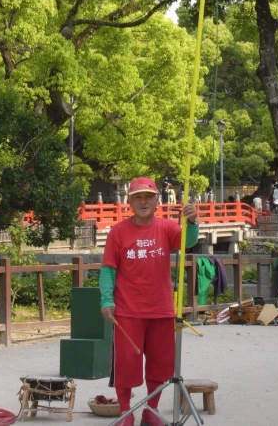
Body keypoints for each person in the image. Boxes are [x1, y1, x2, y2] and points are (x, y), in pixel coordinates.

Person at [100, 177, 199, 426]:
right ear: (130, 202)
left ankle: (151, 411)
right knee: (126, 365)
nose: (143, 201)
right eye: (137, 197)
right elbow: (108, 269)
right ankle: (126, 413)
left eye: (148, 196)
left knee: (160, 364)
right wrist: (106, 299)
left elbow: (188, 242)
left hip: (162, 309)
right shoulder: (118, 232)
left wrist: (193, 221)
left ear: (157, 200)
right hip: (127, 310)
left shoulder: (166, 228)